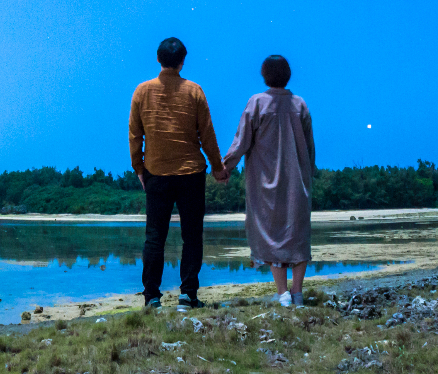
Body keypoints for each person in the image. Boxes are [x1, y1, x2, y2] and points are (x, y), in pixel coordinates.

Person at [129, 36, 228, 311]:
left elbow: (135, 135)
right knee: (192, 236)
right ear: (182, 61)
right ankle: (187, 295)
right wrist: (219, 168)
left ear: (158, 59)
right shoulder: (194, 91)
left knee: (154, 237)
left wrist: (139, 168)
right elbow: (207, 135)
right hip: (190, 173)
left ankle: (152, 297)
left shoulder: (141, 92)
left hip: (156, 172)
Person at [222, 54, 315, 308]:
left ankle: (283, 293)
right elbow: (309, 148)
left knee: (273, 233)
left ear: (264, 75)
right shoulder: (300, 105)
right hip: (298, 180)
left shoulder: (257, 103)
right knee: (297, 234)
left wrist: (225, 167)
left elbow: (241, 141)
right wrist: (310, 174)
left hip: (265, 182)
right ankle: (297, 292)